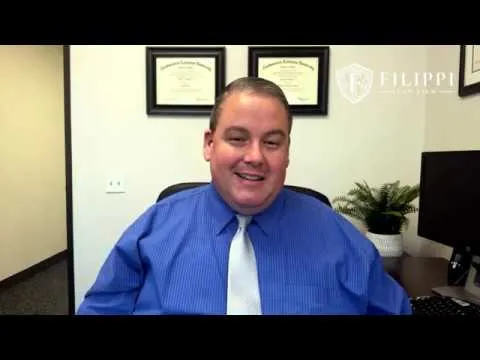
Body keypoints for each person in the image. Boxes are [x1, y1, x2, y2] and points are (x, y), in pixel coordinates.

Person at [76, 76, 412, 315]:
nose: (255, 156)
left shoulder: (338, 236)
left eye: (271, 142)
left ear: (287, 152)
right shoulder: (152, 229)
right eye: (237, 138)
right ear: (209, 144)